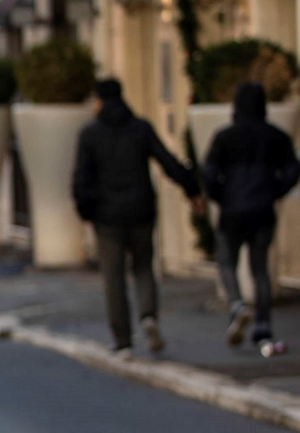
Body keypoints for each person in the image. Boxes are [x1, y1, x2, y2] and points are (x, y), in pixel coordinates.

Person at [71, 77, 203, 357]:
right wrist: (192, 189)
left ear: (99, 101)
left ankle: (123, 340)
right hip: (141, 209)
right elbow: (167, 161)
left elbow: (81, 178)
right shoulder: (140, 128)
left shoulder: (90, 134)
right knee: (144, 267)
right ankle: (148, 316)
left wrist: (85, 210)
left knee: (113, 276)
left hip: (107, 216)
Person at [202, 81, 300, 356]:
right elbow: (293, 169)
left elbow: (209, 173)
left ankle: (236, 305)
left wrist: (220, 196)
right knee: (261, 270)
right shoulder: (275, 136)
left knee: (226, 262)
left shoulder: (225, 137)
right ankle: (263, 327)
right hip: (262, 209)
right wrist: (276, 190)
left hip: (232, 210)